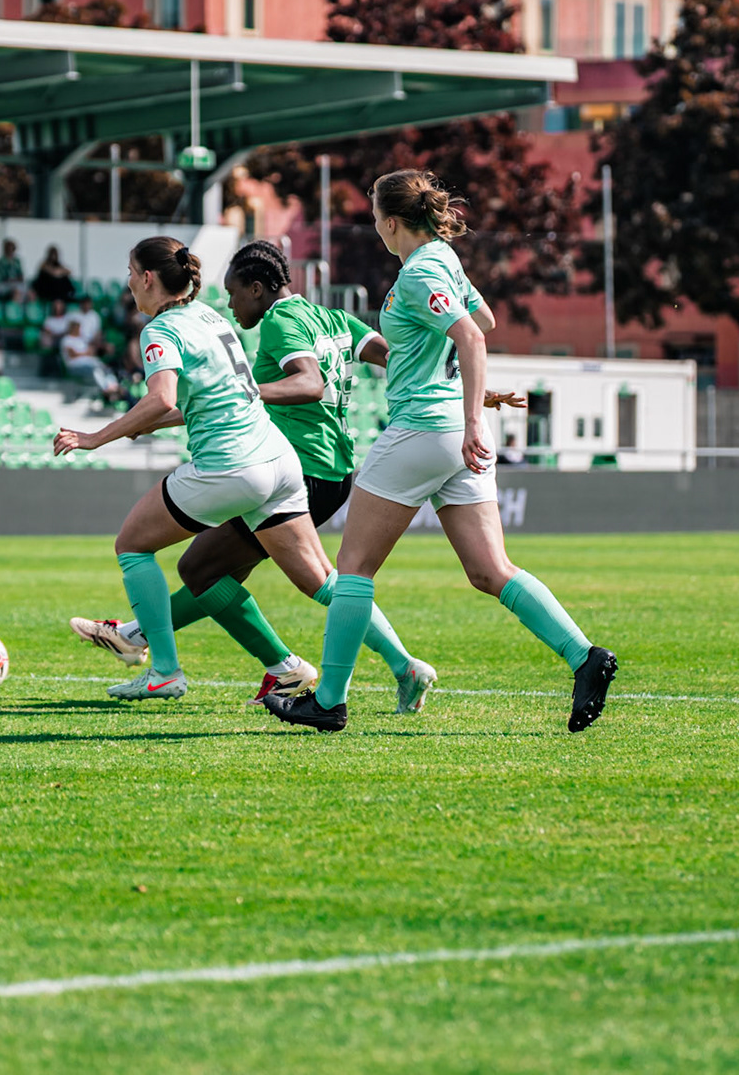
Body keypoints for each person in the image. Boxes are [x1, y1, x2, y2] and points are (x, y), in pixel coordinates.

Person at [72, 241, 524, 710]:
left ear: (257, 288)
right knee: (221, 574)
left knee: (214, 571)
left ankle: (198, 654)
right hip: (327, 468)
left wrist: (240, 393)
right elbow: (402, 360)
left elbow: (310, 383)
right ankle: (168, 641)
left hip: (290, 462)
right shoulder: (330, 317)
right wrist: (476, 389)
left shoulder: (280, 321)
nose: (230, 303)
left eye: (235, 293)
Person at [261, 170, 617, 735]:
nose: (375, 227)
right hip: (452, 428)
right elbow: (485, 319)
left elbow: (472, 336)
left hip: (426, 428)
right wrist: (469, 402)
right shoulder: (444, 258)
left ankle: (328, 701)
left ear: (391, 221)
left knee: (352, 569)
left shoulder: (421, 268)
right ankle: (584, 657)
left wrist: (473, 415)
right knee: (489, 570)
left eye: (375, 216)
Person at [52, 236, 373, 704]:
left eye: (130, 273)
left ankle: (162, 670)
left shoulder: (160, 330)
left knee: (132, 546)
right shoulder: (211, 317)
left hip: (231, 466)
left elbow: (161, 397)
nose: (128, 284)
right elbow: (215, 398)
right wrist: (145, 424)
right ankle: (393, 664)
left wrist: (95, 437)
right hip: (279, 460)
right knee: (321, 580)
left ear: (147, 278)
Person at [58, 317, 124, 404]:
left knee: (106, 369)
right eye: (77, 327)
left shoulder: (81, 340)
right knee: (95, 370)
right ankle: (105, 388)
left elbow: (91, 351)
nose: (79, 329)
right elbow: (73, 354)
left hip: (91, 362)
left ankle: (113, 386)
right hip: (75, 366)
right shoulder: (67, 340)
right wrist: (85, 353)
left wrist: (84, 352)